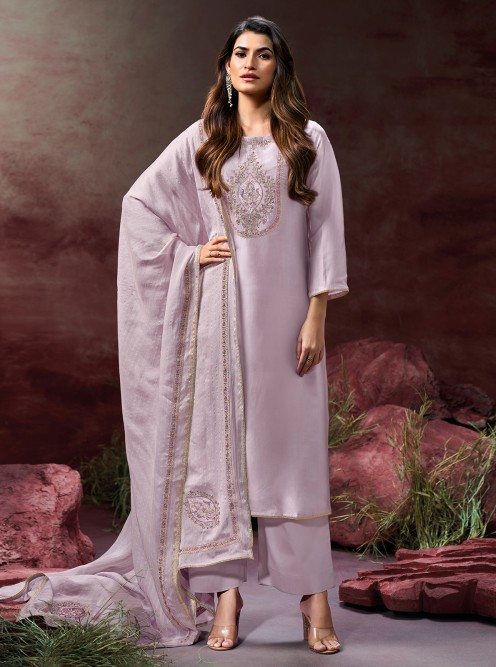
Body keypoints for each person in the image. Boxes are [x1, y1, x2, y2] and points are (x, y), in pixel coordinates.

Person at [0, 15, 347, 656]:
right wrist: (190, 254)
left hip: (287, 324)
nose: (250, 63)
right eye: (240, 53)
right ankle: (225, 596)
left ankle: (313, 597)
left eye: (263, 54)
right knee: (220, 456)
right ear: (226, 66)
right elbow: (140, 207)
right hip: (219, 325)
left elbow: (325, 227)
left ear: (279, 67)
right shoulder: (205, 140)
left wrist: (317, 313)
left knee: (291, 457)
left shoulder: (308, 139)